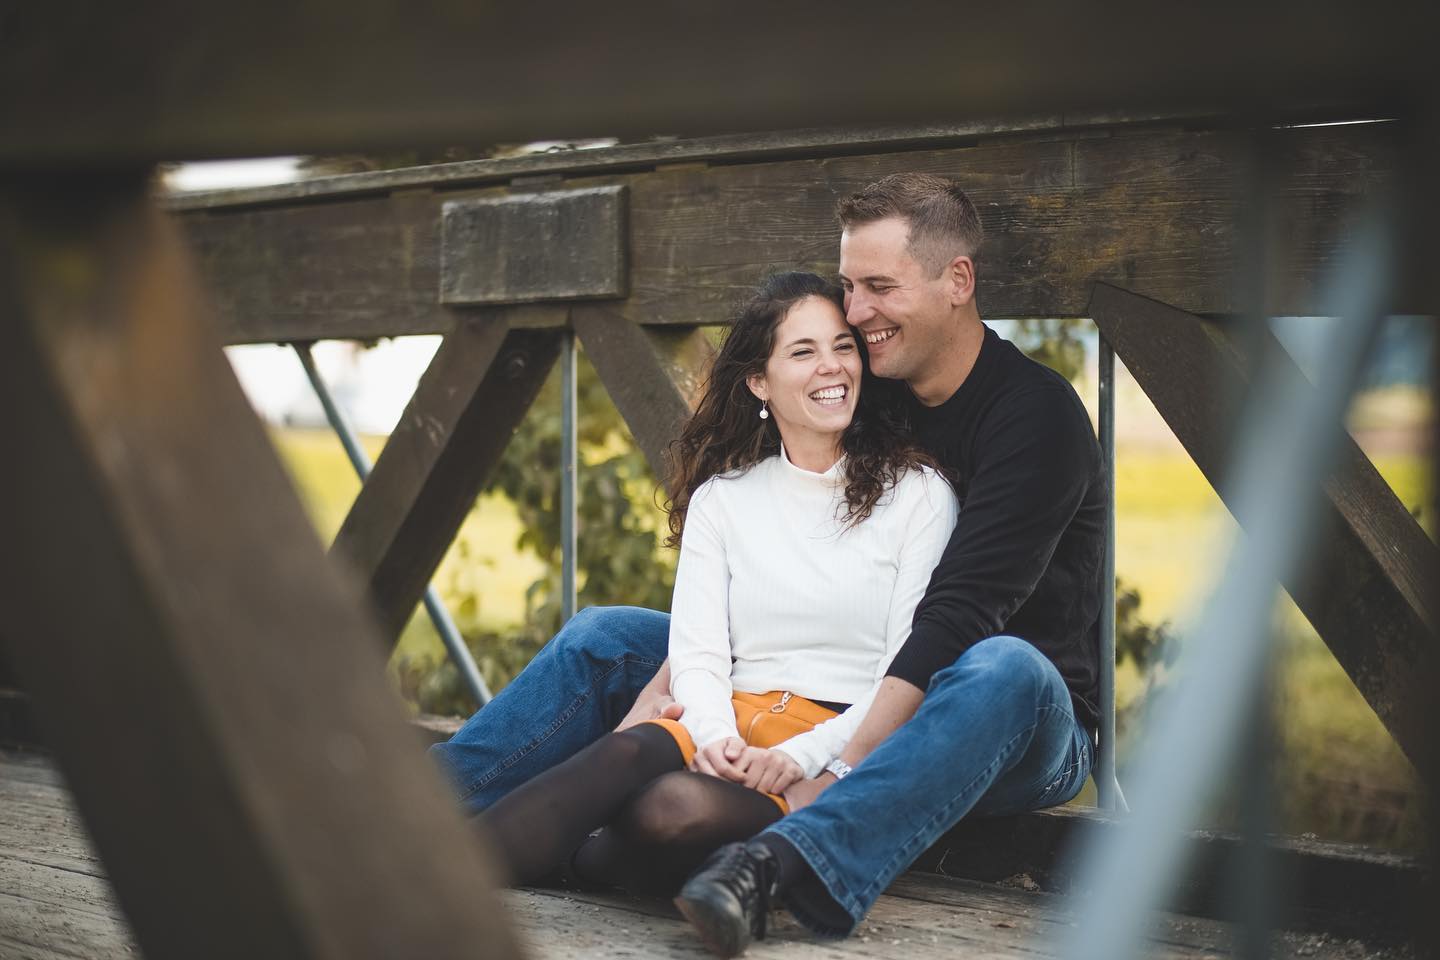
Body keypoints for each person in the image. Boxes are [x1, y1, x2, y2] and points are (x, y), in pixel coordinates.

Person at [431, 173, 1104, 953]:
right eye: (850, 288)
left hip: (1006, 721)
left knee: (999, 665)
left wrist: (829, 766)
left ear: (958, 280)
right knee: (607, 636)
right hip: (842, 672)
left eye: (880, 287)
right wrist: (677, 681)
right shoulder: (870, 383)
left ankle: (789, 862)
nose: (856, 315)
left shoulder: (1035, 416)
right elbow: (764, 521)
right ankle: (412, 811)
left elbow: (955, 620)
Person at [465, 271, 956, 897]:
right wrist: (718, 738)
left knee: (670, 810)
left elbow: (902, 673)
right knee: (622, 757)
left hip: (833, 740)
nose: (832, 367)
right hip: (726, 717)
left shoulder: (917, 497)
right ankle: (418, 885)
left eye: (843, 346)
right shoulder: (723, 501)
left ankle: (574, 859)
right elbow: (696, 652)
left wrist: (800, 756)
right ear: (759, 382)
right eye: (803, 352)